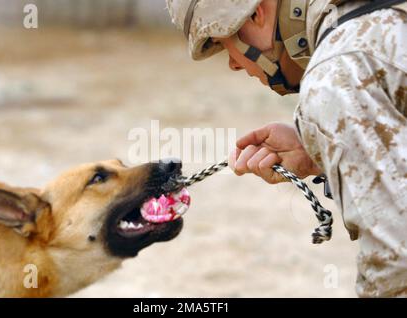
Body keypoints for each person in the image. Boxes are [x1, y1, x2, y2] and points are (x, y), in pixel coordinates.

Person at [166, 0, 407, 297]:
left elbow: (397, 259)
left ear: (257, 12)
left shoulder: (334, 76)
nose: (232, 63)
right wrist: (317, 148)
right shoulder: (376, 19)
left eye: (222, 40)